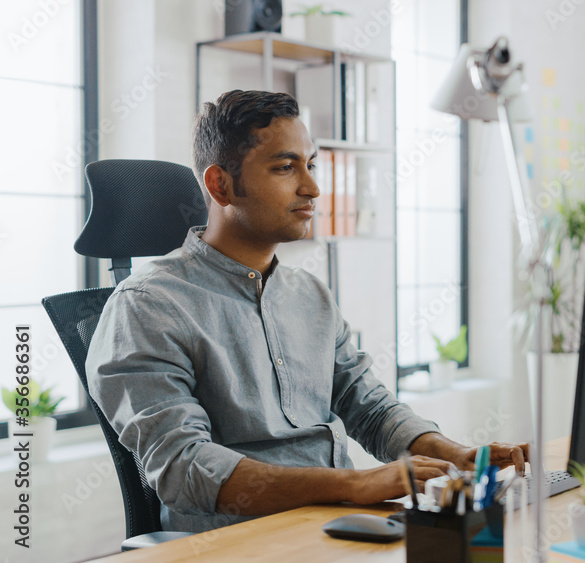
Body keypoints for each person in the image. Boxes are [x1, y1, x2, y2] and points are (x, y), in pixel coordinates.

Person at [86, 90, 527, 533]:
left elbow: (367, 406)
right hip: (245, 542)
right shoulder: (147, 306)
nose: (313, 188)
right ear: (221, 184)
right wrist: (352, 485)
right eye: (284, 167)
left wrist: (448, 452)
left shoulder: (309, 294)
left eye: (310, 165)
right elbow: (185, 467)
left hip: (343, 523)